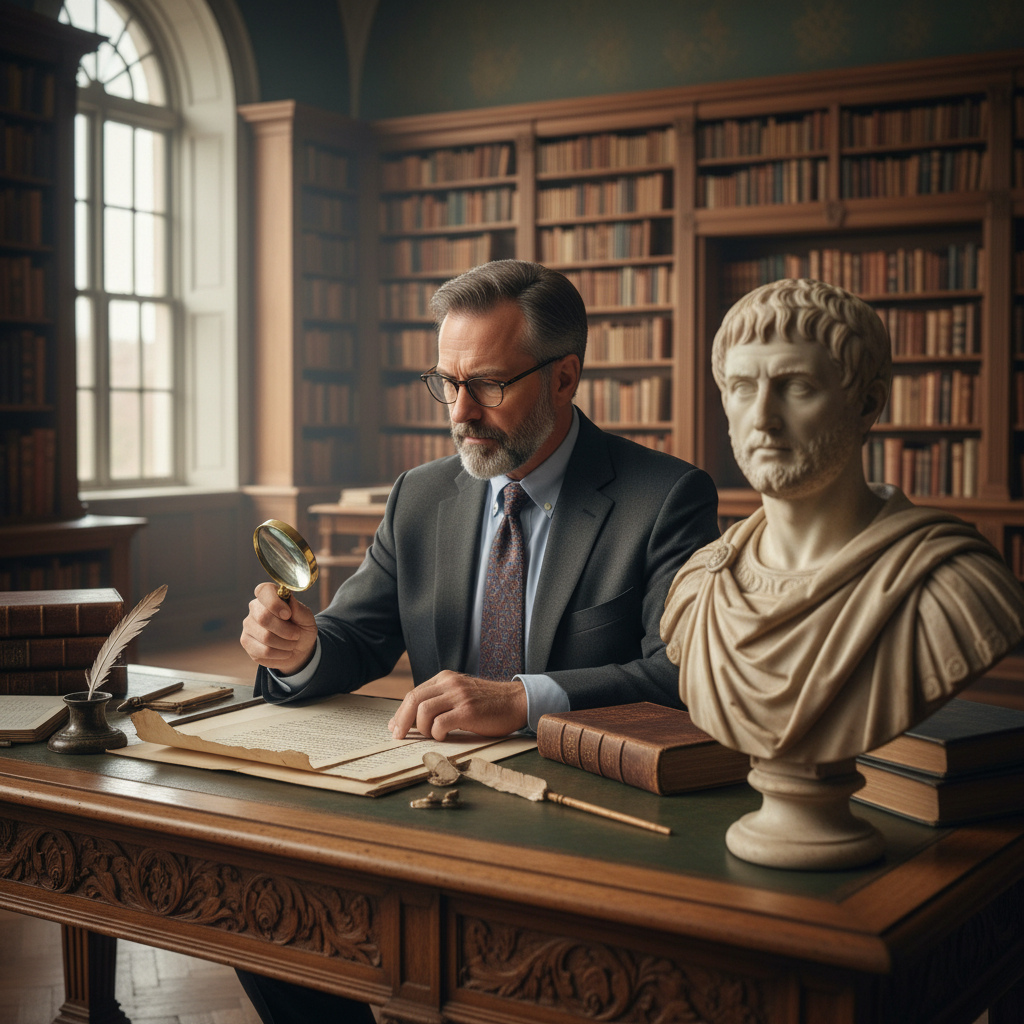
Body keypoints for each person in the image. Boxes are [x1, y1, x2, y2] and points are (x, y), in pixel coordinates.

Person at [237, 259, 719, 1023]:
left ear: (564, 379)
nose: (460, 411)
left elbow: (680, 676)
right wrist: (299, 650)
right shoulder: (420, 495)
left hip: (586, 817)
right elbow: (354, 636)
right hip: (426, 800)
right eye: (445, 382)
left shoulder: (663, 498)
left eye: (489, 384)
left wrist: (524, 700)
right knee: (264, 910)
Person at [660, 278, 1024, 866]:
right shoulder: (700, 589)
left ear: (868, 404)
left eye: (796, 387)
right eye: (742, 388)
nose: (763, 419)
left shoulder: (953, 585)